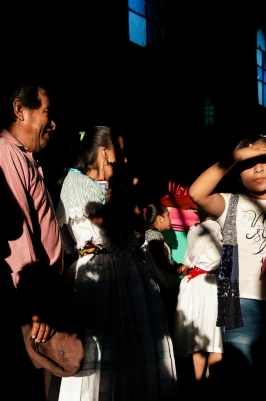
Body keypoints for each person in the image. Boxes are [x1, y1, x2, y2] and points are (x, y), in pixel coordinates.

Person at [49, 126, 177, 401]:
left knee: (129, 361)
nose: (125, 160)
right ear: (105, 152)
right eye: (121, 152)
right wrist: (120, 193)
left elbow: (138, 231)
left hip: (126, 275)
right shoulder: (76, 182)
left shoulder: (110, 187)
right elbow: (106, 226)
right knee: (100, 353)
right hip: (98, 274)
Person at [187, 133, 266, 394]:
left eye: (265, 159)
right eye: (248, 161)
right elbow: (196, 192)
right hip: (238, 299)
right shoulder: (229, 202)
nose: (257, 167)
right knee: (241, 376)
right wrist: (235, 155)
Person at [0, 84, 64, 401]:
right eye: (47, 112)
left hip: (38, 295)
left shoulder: (24, 158)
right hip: (27, 300)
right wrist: (34, 306)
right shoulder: (4, 153)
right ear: (20, 110)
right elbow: (20, 237)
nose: (53, 124)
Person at [173, 211, 223, 398]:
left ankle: (197, 388)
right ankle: (213, 389)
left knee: (199, 341)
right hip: (210, 285)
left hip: (193, 285)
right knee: (215, 340)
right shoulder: (218, 228)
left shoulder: (194, 229)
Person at [139, 202, 188, 333]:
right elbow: (162, 263)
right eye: (167, 215)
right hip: (163, 288)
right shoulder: (154, 236)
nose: (170, 219)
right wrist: (179, 270)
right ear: (160, 218)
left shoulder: (153, 235)